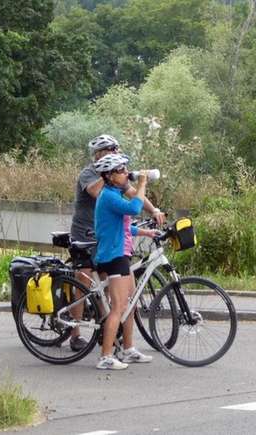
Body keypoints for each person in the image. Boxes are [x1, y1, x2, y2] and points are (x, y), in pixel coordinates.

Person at [67, 134, 165, 352]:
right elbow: (98, 193)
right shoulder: (90, 175)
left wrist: (155, 210)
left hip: (108, 236)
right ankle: (75, 334)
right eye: (113, 150)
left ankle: (109, 334)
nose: (117, 154)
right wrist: (110, 172)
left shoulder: (116, 175)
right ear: (101, 153)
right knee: (84, 283)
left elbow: (132, 193)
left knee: (108, 288)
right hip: (85, 233)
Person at [92, 153, 160, 370]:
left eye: (124, 169)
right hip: (113, 256)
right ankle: (106, 356)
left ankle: (128, 349)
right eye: (121, 171)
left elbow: (123, 226)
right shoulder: (109, 196)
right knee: (118, 307)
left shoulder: (113, 194)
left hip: (122, 254)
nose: (125, 174)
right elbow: (134, 208)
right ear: (110, 176)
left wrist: (146, 233)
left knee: (130, 304)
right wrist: (142, 182)